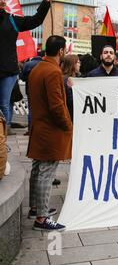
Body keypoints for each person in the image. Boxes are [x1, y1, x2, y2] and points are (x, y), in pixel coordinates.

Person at [27, 36, 72, 232]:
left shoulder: (36, 68)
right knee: (46, 173)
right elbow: (56, 105)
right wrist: (68, 125)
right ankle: (42, 219)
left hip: (39, 127)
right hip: (50, 130)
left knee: (37, 171)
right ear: (61, 51)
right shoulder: (53, 71)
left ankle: (36, 208)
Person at [0, 0, 51, 135]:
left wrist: (45, 4)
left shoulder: (12, 19)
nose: (3, 1)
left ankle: (2, 139)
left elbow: (36, 20)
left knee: (4, 103)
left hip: (8, 70)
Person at [61, 55, 81, 121]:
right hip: (70, 115)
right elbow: (70, 100)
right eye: (78, 62)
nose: (80, 65)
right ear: (72, 64)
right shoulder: (66, 80)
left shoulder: (77, 78)